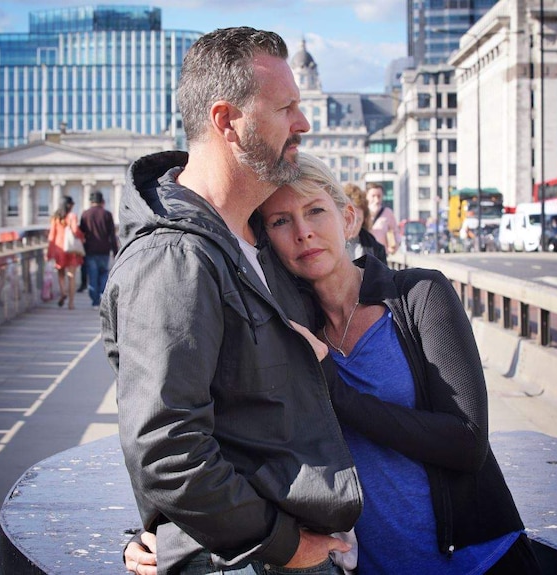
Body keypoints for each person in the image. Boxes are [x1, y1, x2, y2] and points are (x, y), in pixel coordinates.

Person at [126, 152, 542, 574]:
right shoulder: (285, 330)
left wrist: (336, 391)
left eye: (315, 211)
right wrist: (161, 533)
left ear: (348, 220)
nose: (303, 233)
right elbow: (225, 437)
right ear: (266, 240)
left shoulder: (418, 295)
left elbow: (467, 442)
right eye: (281, 221)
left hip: (481, 561)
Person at [100, 28, 361, 575]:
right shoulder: (173, 259)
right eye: (286, 107)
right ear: (227, 122)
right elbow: (167, 448)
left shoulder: (255, 242)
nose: (304, 124)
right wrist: (284, 545)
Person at [79, 191, 117, 309]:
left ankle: (95, 301)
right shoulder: (107, 214)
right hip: (104, 249)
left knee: (93, 275)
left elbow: (81, 233)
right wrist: (115, 251)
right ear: (102, 202)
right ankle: (103, 296)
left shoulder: (85, 214)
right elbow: (112, 235)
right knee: (104, 273)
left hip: (90, 250)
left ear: (91, 202)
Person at [46, 195, 84, 309]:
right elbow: (75, 231)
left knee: (61, 274)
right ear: (69, 205)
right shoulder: (72, 216)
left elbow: (51, 235)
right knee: (71, 276)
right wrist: (82, 236)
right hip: (70, 249)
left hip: (59, 249)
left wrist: (49, 252)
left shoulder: (55, 217)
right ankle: (71, 303)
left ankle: (63, 292)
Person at [343, 183, 387, 264]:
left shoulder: (377, 249)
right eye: (347, 219)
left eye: (357, 220)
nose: (352, 225)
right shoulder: (325, 244)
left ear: (364, 219)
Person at [365, 183, 400, 255]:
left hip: (381, 255)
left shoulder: (388, 213)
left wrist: (394, 246)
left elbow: (395, 232)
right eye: (373, 196)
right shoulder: (362, 212)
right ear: (367, 196)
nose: (376, 200)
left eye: (379, 196)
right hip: (365, 254)